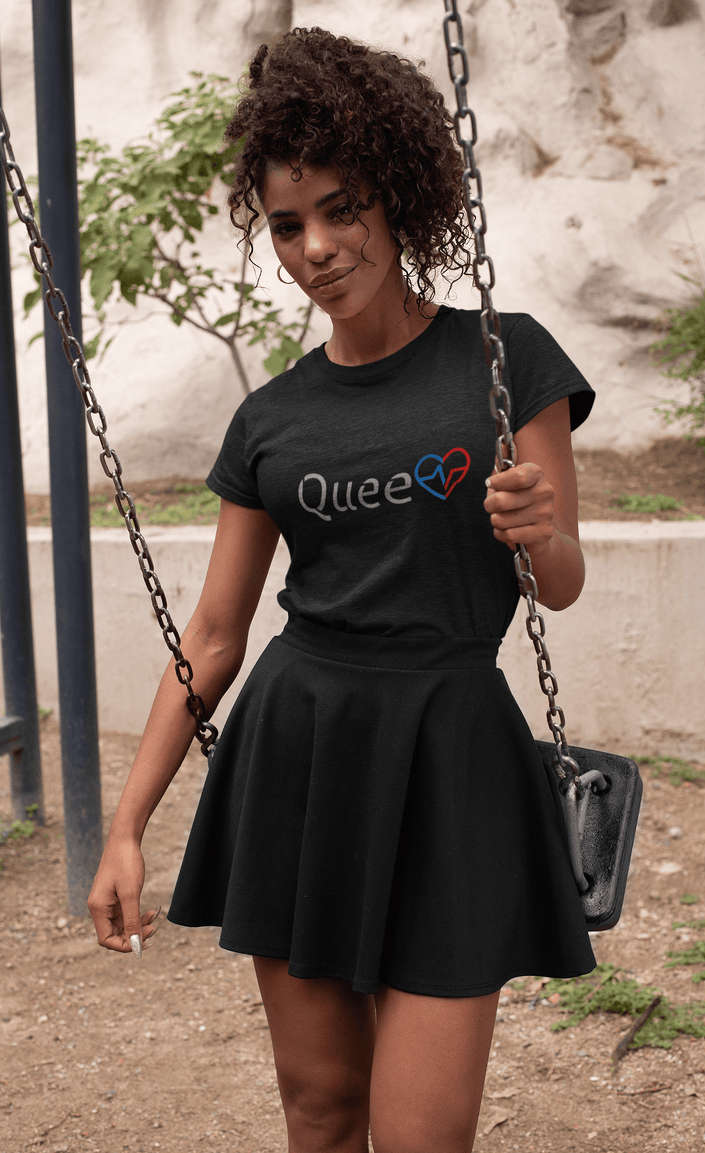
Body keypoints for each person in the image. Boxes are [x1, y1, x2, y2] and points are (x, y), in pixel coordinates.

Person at [88, 26, 597, 1153]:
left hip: (451, 746)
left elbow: (557, 583)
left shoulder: (507, 359)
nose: (317, 246)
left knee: (422, 1135)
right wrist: (127, 827)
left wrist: (539, 532)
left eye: (342, 207)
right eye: (288, 224)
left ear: (397, 195)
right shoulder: (271, 418)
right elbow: (214, 634)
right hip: (300, 749)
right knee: (320, 1109)